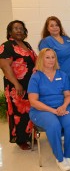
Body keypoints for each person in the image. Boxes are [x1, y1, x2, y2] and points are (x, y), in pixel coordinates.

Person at [28, 48, 70, 171]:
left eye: (53, 57)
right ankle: (59, 158)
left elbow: (68, 95)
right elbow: (33, 101)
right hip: (41, 110)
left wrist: (63, 106)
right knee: (54, 124)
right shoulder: (36, 76)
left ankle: (69, 155)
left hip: (61, 107)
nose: (51, 60)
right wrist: (53, 111)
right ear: (41, 59)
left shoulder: (62, 74)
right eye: (47, 57)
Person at [0, 20, 37, 150]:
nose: (19, 30)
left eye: (21, 28)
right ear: (10, 32)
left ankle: (29, 136)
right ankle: (20, 140)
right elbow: (5, 67)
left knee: (30, 111)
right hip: (16, 86)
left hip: (30, 85)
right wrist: (16, 84)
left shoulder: (26, 44)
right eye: (15, 28)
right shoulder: (7, 46)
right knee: (18, 113)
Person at [39, 16, 70, 81]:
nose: (55, 27)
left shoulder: (67, 39)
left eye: (57, 25)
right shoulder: (46, 41)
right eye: (51, 26)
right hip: (60, 78)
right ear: (47, 28)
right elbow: (44, 62)